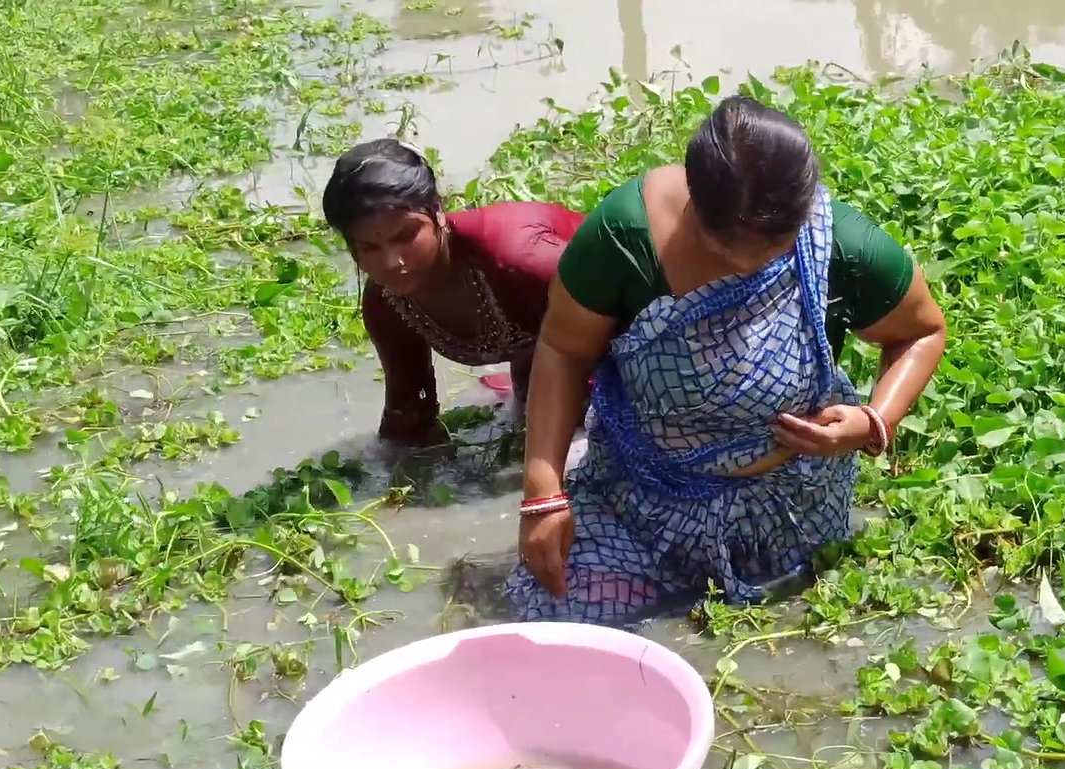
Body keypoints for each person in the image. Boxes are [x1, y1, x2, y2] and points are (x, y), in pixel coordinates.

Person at [507, 95, 948, 626]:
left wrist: (874, 421)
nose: (746, 263)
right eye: (722, 246)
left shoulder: (841, 243)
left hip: (792, 506)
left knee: (805, 623)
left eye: (773, 247)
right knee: (555, 615)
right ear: (693, 198)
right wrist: (542, 494)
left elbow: (922, 330)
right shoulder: (625, 237)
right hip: (641, 503)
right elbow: (562, 350)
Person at [322, 139, 586, 446]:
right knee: (530, 410)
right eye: (369, 247)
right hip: (547, 358)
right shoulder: (386, 301)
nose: (392, 262)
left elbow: (626, 326)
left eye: (407, 235)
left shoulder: (522, 261)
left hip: (626, 332)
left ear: (438, 212)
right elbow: (409, 412)